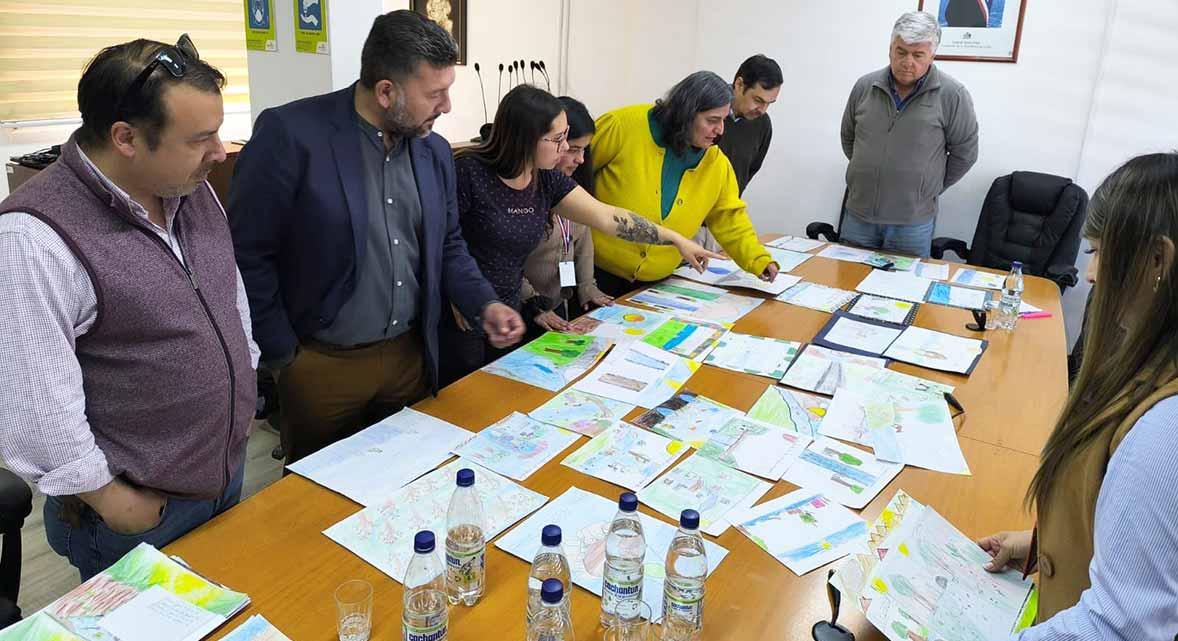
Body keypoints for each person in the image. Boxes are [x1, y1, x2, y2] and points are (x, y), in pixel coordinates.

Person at [0, 37, 258, 580]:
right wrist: (108, 498)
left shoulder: (189, 186)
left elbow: (226, 294)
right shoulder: (32, 236)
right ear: (126, 138)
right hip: (134, 506)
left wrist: (244, 373)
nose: (219, 152)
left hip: (218, 470)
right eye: (202, 138)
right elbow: (32, 399)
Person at [228, 10, 524, 463]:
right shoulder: (291, 135)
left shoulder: (435, 152)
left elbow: (448, 245)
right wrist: (286, 356)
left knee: (409, 476)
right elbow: (248, 254)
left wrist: (485, 303)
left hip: (411, 357)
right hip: (323, 364)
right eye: (435, 94)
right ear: (386, 91)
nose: (446, 106)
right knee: (316, 500)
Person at [976, 153, 1178, 640]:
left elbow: (1120, 627)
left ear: (1157, 260)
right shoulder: (1150, 367)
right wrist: (1044, 546)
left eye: (1098, 252)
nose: (1090, 275)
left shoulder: (1162, 430)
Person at [439, 85, 721, 386]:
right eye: (558, 139)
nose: (565, 149)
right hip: (463, 311)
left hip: (509, 310)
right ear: (526, 138)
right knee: (463, 394)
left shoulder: (545, 178)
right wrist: (461, 296)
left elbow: (607, 217)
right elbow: (442, 245)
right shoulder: (469, 173)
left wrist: (674, 238)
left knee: (502, 391)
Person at [591, 71, 778, 297]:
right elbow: (569, 180)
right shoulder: (622, 126)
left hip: (655, 286)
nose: (720, 130)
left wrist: (757, 259)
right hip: (594, 276)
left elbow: (730, 219)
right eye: (712, 120)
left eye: (723, 119)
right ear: (685, 114)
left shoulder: (716, 163)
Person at [839, 11, 979, 257]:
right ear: (890, 49)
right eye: (901, 52)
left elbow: (964, 154)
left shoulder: (952, 94)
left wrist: (928, 187)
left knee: (903, 292)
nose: (908, 61)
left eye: (918, 55)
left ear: (932, 55)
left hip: (912, 224)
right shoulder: (865, 86)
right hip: (858, 216)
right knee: (848, 287)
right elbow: (849, 137)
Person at [520, 96, 613, 334]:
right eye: (573, 149)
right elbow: (503, 260)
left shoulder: (572, 185)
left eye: (584, 150)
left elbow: (582, 236)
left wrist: (587, 285)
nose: (580, 159)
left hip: (557, 303)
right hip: (522, 307)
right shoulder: (523, 190)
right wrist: (532, 301)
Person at [718, 54, 782, 195]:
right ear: (739, 84)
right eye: (758, 100)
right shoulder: (707, 109)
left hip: (725, 211)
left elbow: (750, 170)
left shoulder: (763, 125)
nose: (762, 110)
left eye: (769, 103)